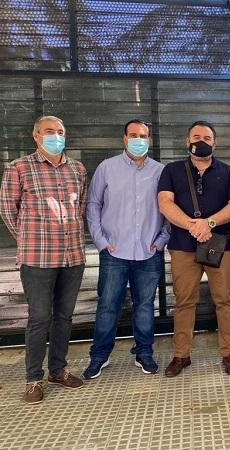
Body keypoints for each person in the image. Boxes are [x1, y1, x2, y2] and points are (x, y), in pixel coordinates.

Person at [0, 116, 87, 404]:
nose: (55, 136)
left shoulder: (77, 169)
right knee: (39, 318)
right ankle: (33, 378)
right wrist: (28, 239)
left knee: (64, 316)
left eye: (60, 131)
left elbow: (81, 208)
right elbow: (7, 211)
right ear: (36, 136)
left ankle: (58, 371)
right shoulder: (19, 168)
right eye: (49, 131)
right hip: (37, 258)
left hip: (72, 256)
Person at [83, 120, 170, 379]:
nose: (138, 139)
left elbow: (170, 209)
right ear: (124, 138)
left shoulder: (160, 171)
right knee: (108, 306)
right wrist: (101, 241)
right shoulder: (106, 168)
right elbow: (93, 205)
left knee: (145, 306)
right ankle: (99, 356)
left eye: (143, 135)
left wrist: (162, 240)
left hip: (148, 252)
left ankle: (144, 352)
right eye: (133, 135)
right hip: (114, 252)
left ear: (150, 139)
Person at [158, 120, 230, 377]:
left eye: (207, 137)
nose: (202, 141)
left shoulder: (228, 172)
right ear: (188, 141)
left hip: (220, 245)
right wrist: (192, 226)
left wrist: (210, 222)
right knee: (184, 301)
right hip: (183, 246)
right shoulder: (172, 171)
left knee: (225, 301)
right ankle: (181, 355)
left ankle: (229, 353)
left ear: (215, 143)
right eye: (196, 136)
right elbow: (164, 203)